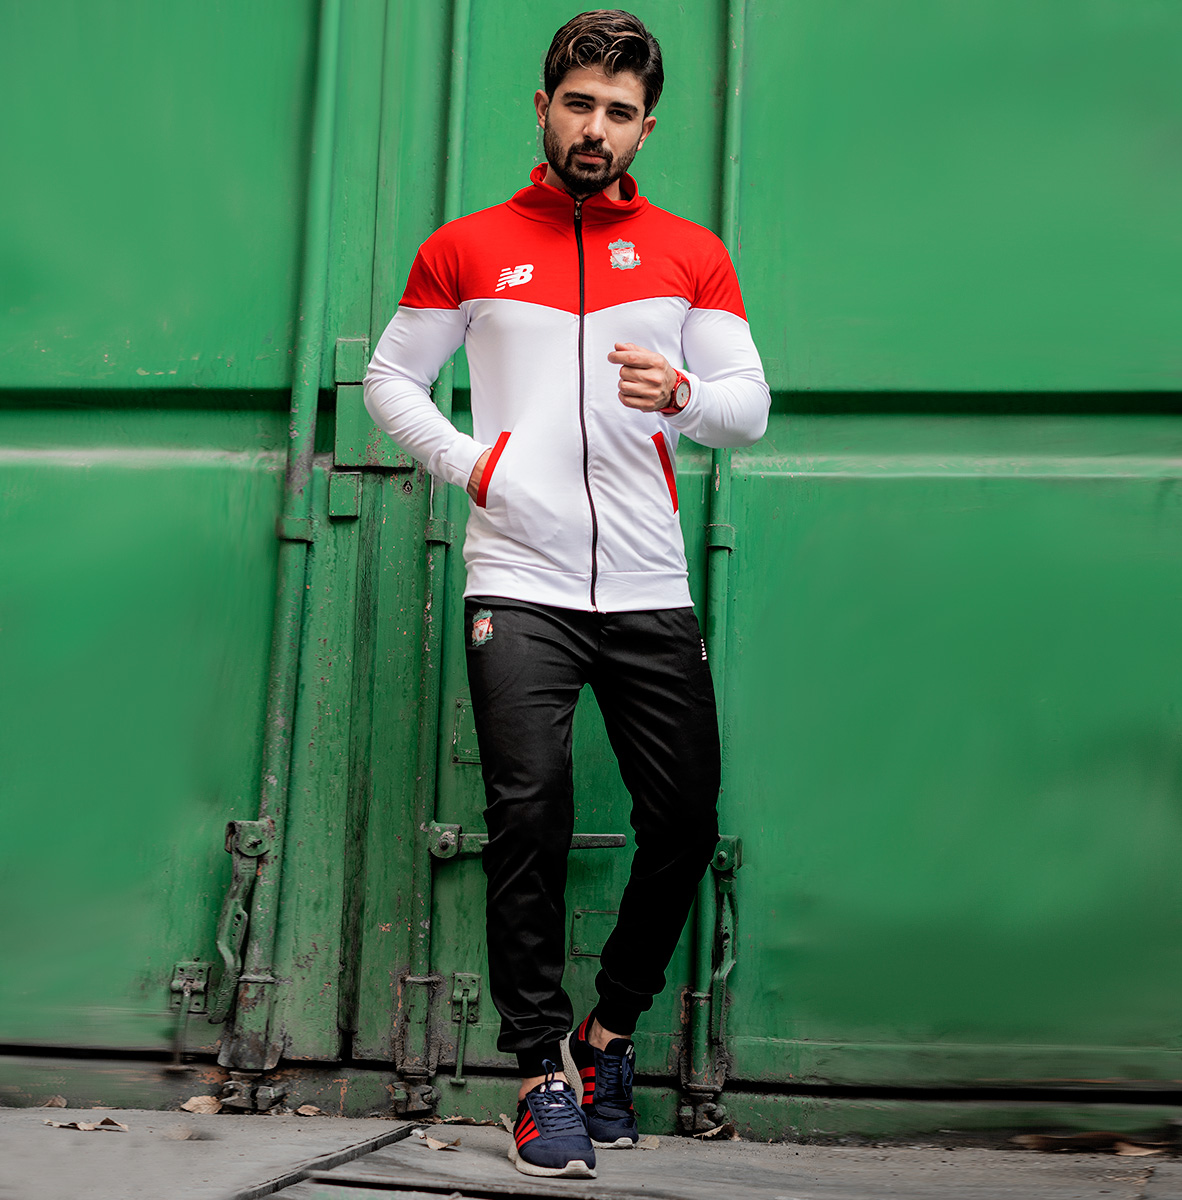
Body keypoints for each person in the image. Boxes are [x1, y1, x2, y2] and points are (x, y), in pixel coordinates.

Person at [364, 9, 769, 1179]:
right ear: (544, 108)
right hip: (520, 577)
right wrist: (473, 466)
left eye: (620, 112)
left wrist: (683, 393)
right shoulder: (468, 247)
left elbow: (747, 409)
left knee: (683, 822)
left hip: (646, 581)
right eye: (580, 104)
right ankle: (540, 1069)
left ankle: (609, 1033)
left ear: (648, 128)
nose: (598, 128)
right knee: (529, 817)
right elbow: (392, 379)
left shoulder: (690, 254)